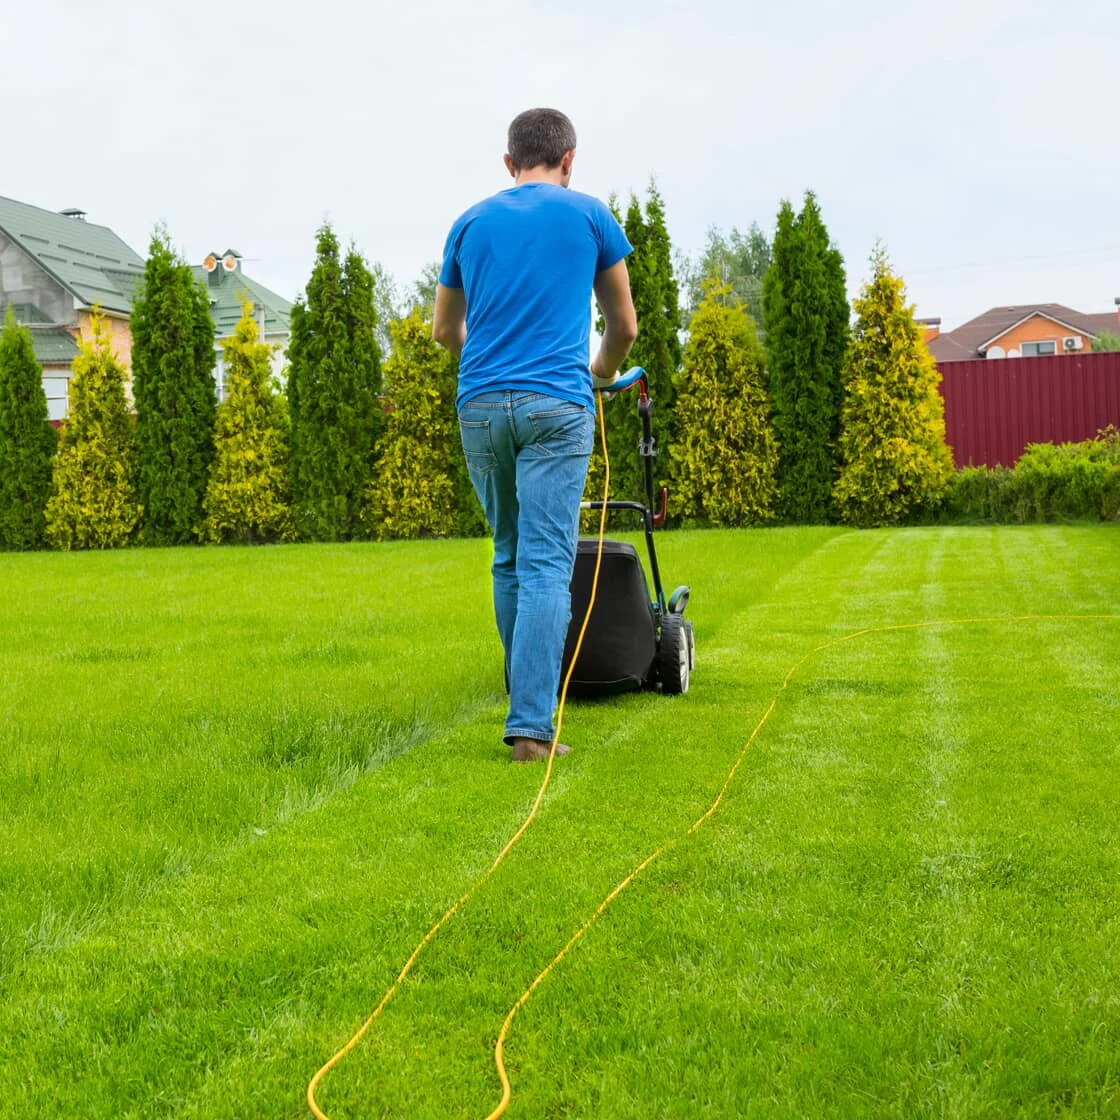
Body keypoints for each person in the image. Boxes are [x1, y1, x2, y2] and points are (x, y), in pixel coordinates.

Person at [432, 107, 638, 762]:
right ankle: (530, 730)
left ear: (508, 163)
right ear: (570, 161)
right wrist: (598, 372)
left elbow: (443, 332)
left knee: (509, 554)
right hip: (558, 406)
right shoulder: (590, 217)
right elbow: (622, 325)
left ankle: (525, 697)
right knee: (549, 562)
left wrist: (489, 364)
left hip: (482, 407)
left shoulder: (468, 222)